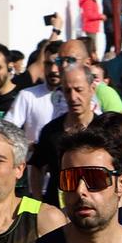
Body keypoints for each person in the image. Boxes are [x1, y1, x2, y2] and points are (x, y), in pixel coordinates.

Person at [34, 62, 104, 200]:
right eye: (67, 91)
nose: (73, 97)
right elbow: (36, 166)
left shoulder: (104, 129)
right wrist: (37, 204)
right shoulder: (50, 131)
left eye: (79, 90)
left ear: (92, 89)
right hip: (56, 209)